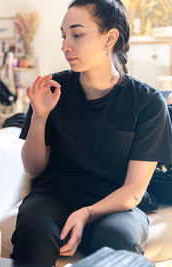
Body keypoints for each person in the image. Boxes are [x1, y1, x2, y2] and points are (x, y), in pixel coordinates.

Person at [10, 0, 172, 266]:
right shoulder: (53, 89)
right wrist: (40, 117)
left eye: (77, 34)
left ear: (109, 37)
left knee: (119, 239)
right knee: (34, 234)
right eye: (63, 35)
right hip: (53, 196)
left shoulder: (147, 103)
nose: (65, 45)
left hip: (117, 203)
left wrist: (86, 213)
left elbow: (133, 190)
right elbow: (33, 169)